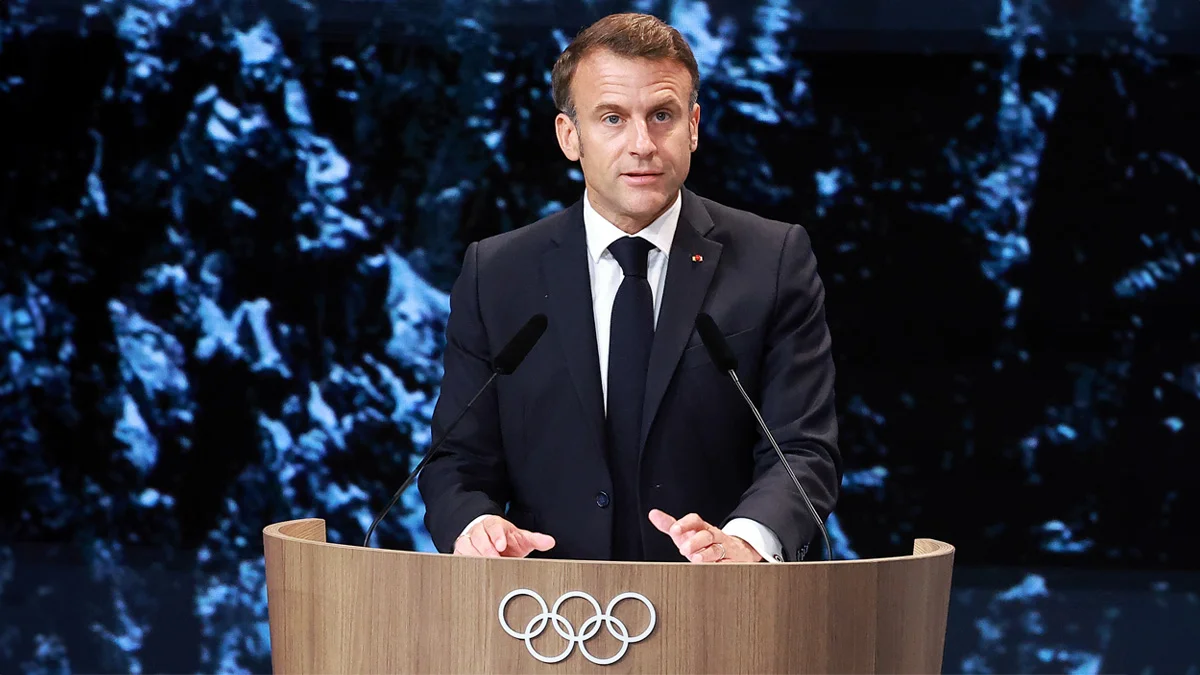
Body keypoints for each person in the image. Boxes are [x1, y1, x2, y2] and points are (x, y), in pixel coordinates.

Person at [417, 12, 841, 563]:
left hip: (722, 609)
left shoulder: (773, 260)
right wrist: (476, 528)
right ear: (570, 137)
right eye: (613, 118)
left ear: (692, 126)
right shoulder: (497, 273)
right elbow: (454, 461)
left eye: (661, 115)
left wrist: (745, 542)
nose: (642, 143)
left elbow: (802, 449)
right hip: (542, 615)